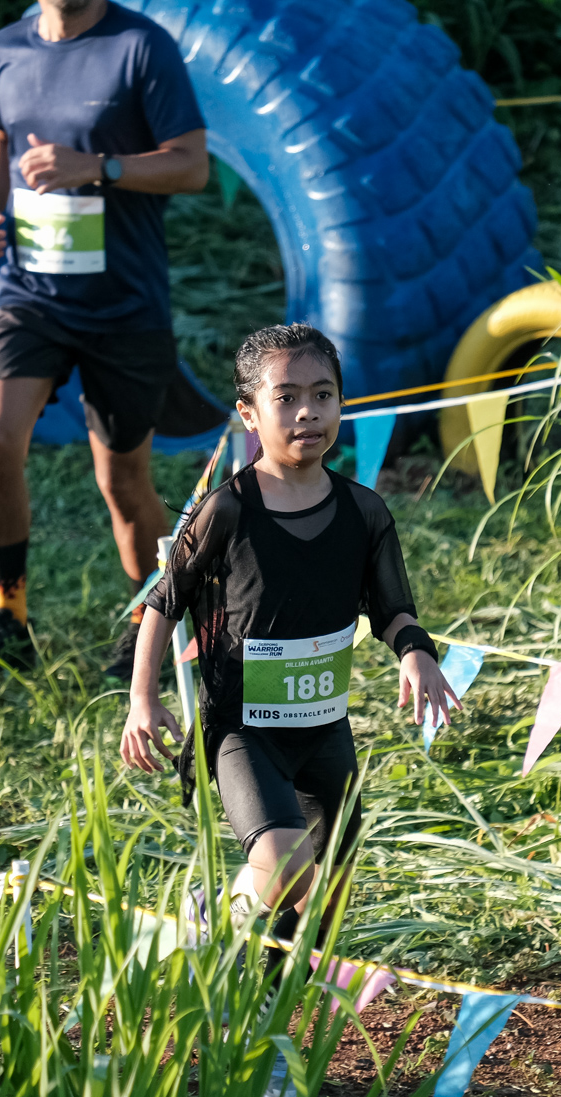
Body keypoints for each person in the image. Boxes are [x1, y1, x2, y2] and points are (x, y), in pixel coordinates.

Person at [119, 324, 459, 953]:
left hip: (326, 730)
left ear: (341, 404)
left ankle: (278, 997)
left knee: (324, 899)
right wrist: (143, 699)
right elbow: (164, 603)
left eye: (323, 394)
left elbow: (393, 610)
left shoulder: (364, 513)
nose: (308, 411)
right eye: (287, 397)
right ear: (249, 413)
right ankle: (214, 912)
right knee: (284, 865)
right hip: (243, 728)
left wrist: (417, 654)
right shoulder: (226, 509)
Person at [0, 0, 210, 680]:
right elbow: (0, 135)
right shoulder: (5, 48)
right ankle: (7, 618)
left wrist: (98, 167)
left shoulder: (141, 46)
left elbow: (192, 166)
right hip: (29, 295)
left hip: (125, 304)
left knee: (122, 479)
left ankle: (150, 625)